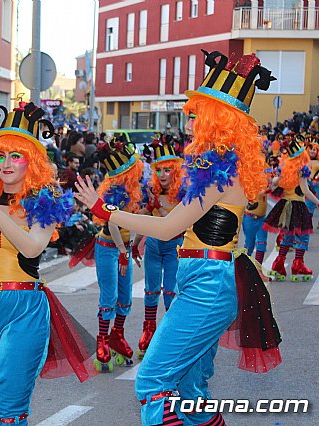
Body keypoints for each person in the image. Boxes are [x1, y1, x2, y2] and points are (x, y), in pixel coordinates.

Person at [76, 50, 282, 425]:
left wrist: (107, 212)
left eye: (198, 112)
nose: (190, 119)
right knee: (191, 396)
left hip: (207, 284)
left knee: (153, 382)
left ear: (219, 120)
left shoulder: (220, 169)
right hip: (203, 281)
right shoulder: (218, 166)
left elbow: (170, 228)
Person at [0, 102, 93, 425]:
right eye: (0, 155)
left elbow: (32, 247)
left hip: (25, 307)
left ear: (32, 161)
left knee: (11, 407)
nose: (6, 163)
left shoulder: (45, 202)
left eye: (16, 155)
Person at [88, 139, 144, 371]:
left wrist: (134, 246)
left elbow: (138, 220)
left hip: (124, 249)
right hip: (109, 248)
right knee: (109, 296)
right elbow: (112, 224)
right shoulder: (113, 193)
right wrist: (123, 251)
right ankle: (102, 341)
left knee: (125, 297)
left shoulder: (134, 191)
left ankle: (116, 336)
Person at [131, 137, 185, 360]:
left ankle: (171, 339)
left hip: (175, 247)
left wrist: (158, 208)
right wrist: (135, 245)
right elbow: (146, 221)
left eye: (167, 170)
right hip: (153, 246)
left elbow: (173, 225)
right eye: (159, 170)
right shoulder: (152, 192)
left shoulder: (184, 195)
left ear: (176, 171)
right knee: (151, 292)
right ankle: (149, 334)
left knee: (171, 293)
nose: (163, 175)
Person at [264, 135, 319, 281]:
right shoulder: (301, 170)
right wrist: (318, 202)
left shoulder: (285, 169)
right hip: (298, 205)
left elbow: (274, 183)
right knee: (302, 236)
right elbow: (306, 190)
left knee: (287, 235)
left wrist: (271, 182)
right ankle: (298, 266)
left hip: (285, 204)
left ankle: (279, 265)